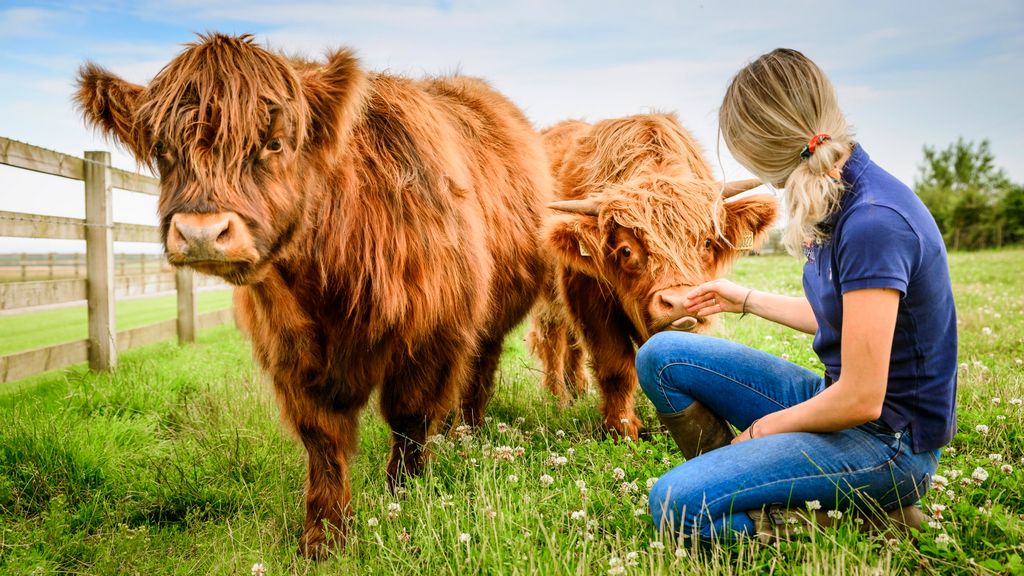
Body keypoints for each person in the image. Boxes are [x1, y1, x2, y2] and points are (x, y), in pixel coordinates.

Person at [638, 48, 957, 543]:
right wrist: (741, 298)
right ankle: (751, 481)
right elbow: (846, 319)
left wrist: (767, 430)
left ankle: (869, 513)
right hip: (839, 404)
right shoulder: (842, 190)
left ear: (759, 150)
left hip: (887, 445)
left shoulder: (874, 222)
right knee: (662, 356)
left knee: (676, 507)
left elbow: (862, 398)